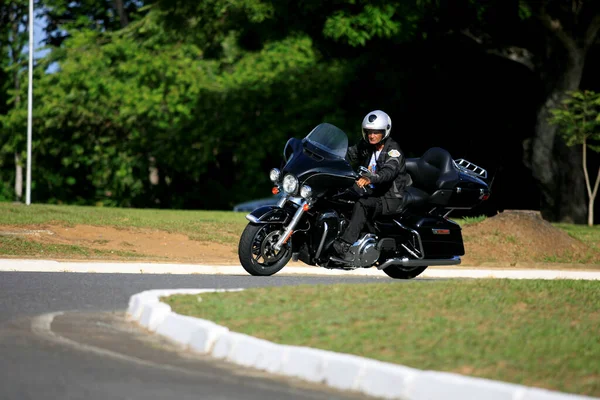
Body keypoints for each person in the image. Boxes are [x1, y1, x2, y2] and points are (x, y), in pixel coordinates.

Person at [332, 109, 412, 260]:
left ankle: (345, 245)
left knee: (362, 204)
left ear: (385, 132)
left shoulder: (393, 151)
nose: (372, 135)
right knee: (339, 195)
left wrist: (370, 178)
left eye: (376, 132)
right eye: (369, 132)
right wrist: (330, 156)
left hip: (389, 198)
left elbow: (388, 172)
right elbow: (348, 154)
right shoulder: (366, 145)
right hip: (372, 192)